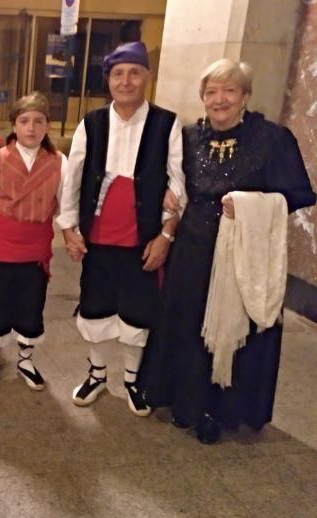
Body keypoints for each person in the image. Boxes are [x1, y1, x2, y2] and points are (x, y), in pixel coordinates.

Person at [139, 59, 316, 443]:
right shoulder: (187, 136)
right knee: (188, 327)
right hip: (192, 250)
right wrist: (171, 193)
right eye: (211, 92)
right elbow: (171, 179)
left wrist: (254, 203)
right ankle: (183, 401)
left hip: (242, 254)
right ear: (202, 98)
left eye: (230, 91)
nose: (219, 100)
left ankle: (221, 411)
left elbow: (301, 194)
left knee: (236, 334)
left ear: (245, 96)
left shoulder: (271, 138)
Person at [56, 41, 185, 416]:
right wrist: (68, 229)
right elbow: (72, 180)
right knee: (96, 307)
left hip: (143, 239)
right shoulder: (91, 124)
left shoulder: (166, 123)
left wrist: (165, 235)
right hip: (98, 238)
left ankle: (131, 379)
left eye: (134, 72)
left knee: (138, 309)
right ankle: (96, 375)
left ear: (147, 76)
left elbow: (179, 182)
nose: (126, 81)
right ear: (108, 80)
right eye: (118, 74)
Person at [0, 92, 65, 391]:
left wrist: (72, 235)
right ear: (14, 125)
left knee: (30, 305)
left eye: (38, 121)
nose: (31, 128)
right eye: (24, 121)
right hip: (1, 246)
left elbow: (67, 204)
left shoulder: (59, 162)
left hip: (35, 249)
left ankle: (25, 359)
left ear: (47, 125)